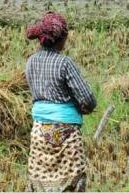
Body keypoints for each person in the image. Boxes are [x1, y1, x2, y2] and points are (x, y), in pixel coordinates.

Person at [24, 12, 97, 193]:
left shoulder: (31, 61)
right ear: (61, 39)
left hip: (40, 131)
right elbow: (88, 99)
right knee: (71, 183)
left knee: (40, 182)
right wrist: (86, 108)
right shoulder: (64, 63)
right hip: (67, 133)